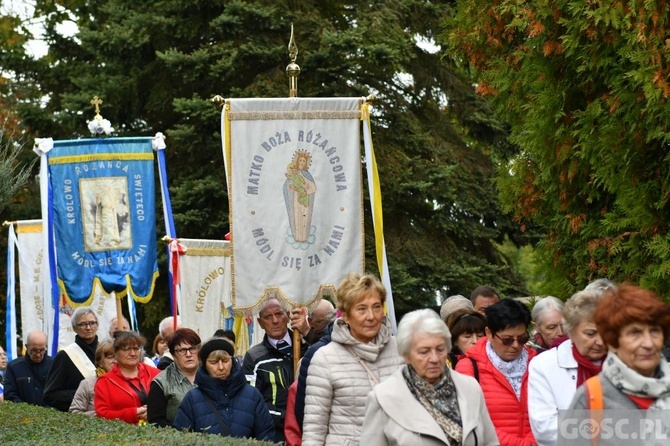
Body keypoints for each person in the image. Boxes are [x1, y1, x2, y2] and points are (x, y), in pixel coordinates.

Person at [360, 309, 499, 445]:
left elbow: (490, 441)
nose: (434, 358)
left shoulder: (469, 387)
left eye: (440, 349)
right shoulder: (383, 398)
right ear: (406, 355)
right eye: (424, 352)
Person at [302, 273, 404, 446]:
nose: (371, 316)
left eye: (376, 307)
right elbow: (314, 430)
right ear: (346, 316)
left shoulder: (402, 350)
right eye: (362, 309)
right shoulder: (325, 359)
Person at [568, 284, 670, 415]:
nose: (648, 344)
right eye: (634, 333)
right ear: (613, 342)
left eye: (655, 331)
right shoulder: (591, 398)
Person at [527, 289, 606, 445]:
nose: (601, 341)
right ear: (572, 330)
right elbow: (545, 429)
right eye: (590, 334)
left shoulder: (626, 359)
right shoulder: (544, 365)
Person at [455, 298, 537, 446]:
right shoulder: (468, 368)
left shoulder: (537, 363)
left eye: (522, 338)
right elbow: (470, 421)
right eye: (507, 340)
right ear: (489, 333)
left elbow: (553, 411)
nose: (516, 345)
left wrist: (534, 441)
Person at [173, 337, 275, 441]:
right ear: (205, 365)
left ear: (232, 361)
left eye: (225, 361)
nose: (221, 367)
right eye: (214, 362)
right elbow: (181, 438)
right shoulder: (192, 399)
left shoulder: (252, 395)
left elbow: (266, 436)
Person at [243, 298, 308, 442]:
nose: (275, 320)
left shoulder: (307, 348)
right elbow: (251, 401)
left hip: (310, 430)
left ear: (288, 315)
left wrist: (307, 333)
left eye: (279, 314)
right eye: (268, 316)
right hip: (274, 434)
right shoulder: (254, 357)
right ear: (260, 323)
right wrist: (288, 417)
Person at [94, 331, 160, 424]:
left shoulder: (155, 373)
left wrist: (154, 411)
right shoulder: (105, 381)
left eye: (136, 348)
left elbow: (172, 401)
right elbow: (102, 415)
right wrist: (133, 413)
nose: (132, 353)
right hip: (124, 435)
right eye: (126, 349)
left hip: (160, 432)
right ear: (115, 354)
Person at [44, 306, 100, 411]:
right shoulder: (65, 356)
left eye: (92, 323)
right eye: (82, 324)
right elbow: (50, 395)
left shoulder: (108, 353)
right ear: (74, 328)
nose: (88, 328)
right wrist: (82, 395)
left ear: (97, 325)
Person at [147, 328, 201, 427]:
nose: (188, 354)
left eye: (192, 348)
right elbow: (155, 422)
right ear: (173, 354)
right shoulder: (161, 383)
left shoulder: (211, 375)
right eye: (182, 350)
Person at [3, 331, 53, 406]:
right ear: (26, 346)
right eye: (34, 350)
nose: (38, 354)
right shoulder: (13, 367)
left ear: (46, 346)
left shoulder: (55, 365)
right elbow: (9, 395)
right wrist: (27, 410)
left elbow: (59, 394)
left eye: (42, 350)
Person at [69, 339, 115, 415]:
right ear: (100, 362)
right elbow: (74, 413)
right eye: (110, 357)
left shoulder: (131, 382)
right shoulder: (87, 384)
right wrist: (102, 415)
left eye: (117, 357)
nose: (115, 361)